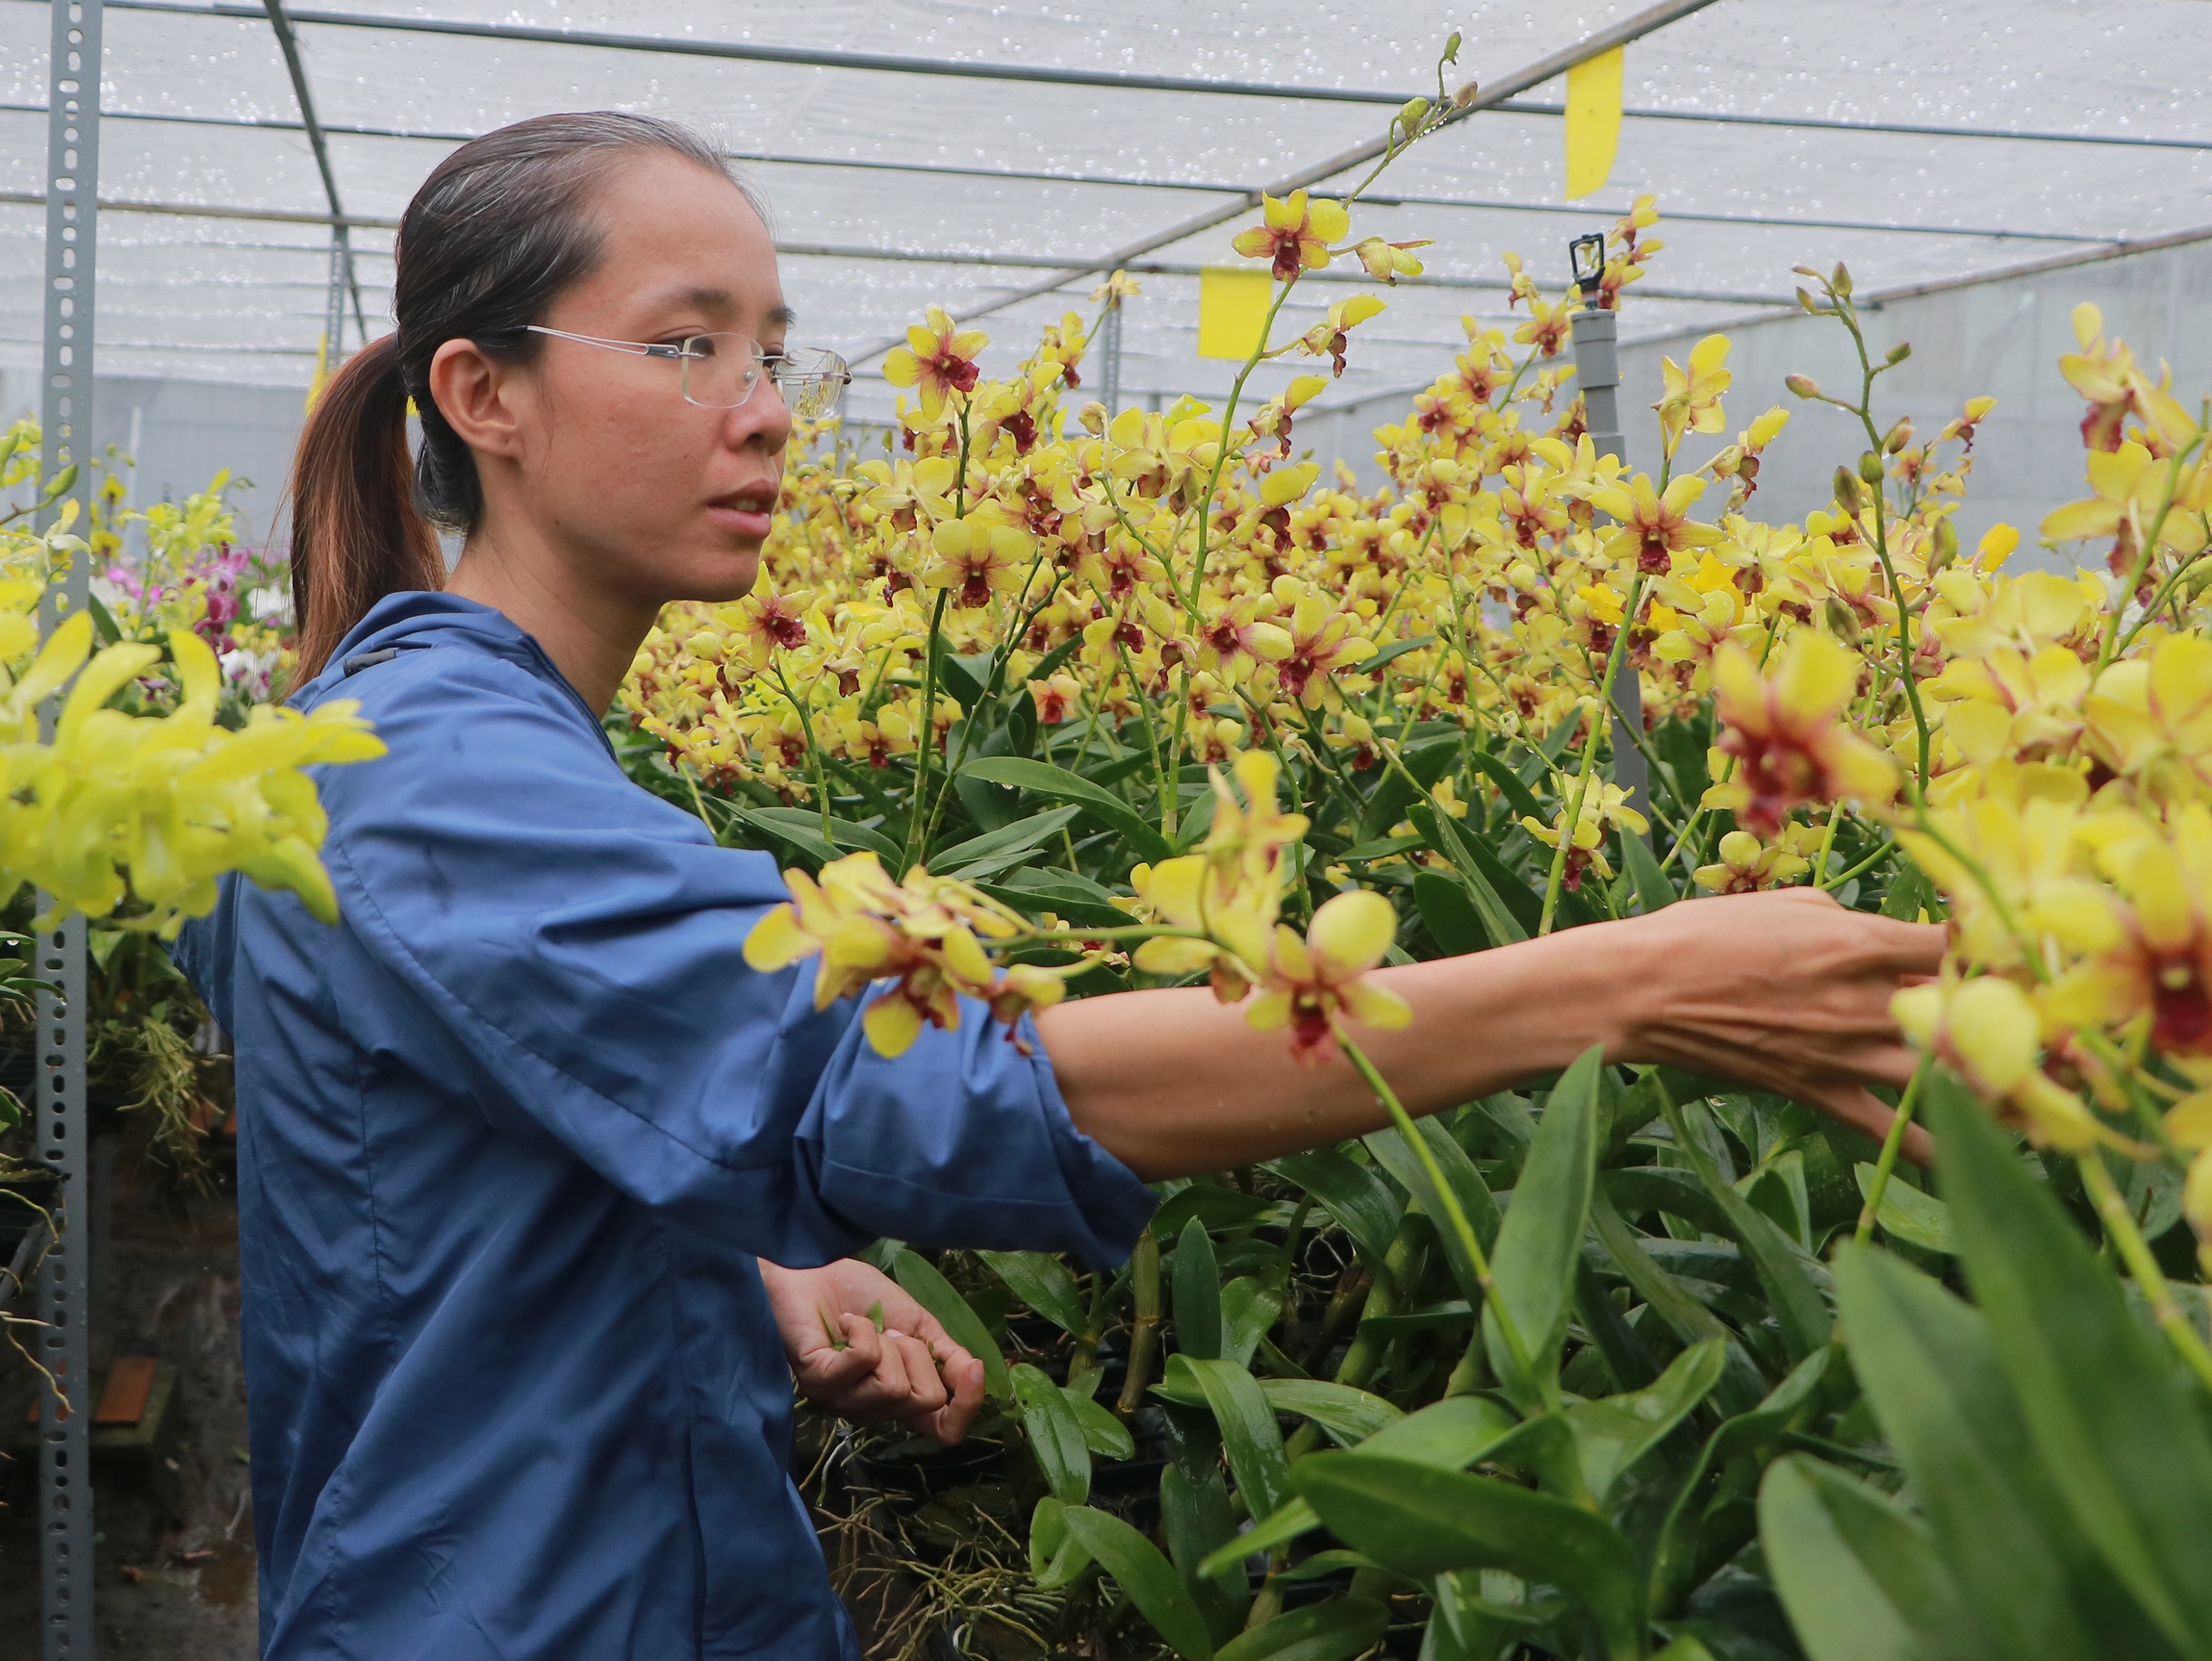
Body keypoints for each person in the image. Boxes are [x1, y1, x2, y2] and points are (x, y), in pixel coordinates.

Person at [173, 112, 1943, 1661]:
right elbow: (913, 1082)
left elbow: (491, 1115)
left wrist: (748, 1260)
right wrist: (1618, 985)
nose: (768, 416)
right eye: (689, 347)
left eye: (776, 352)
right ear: (483, 394)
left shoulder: (443, 737)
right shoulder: (438, 775)